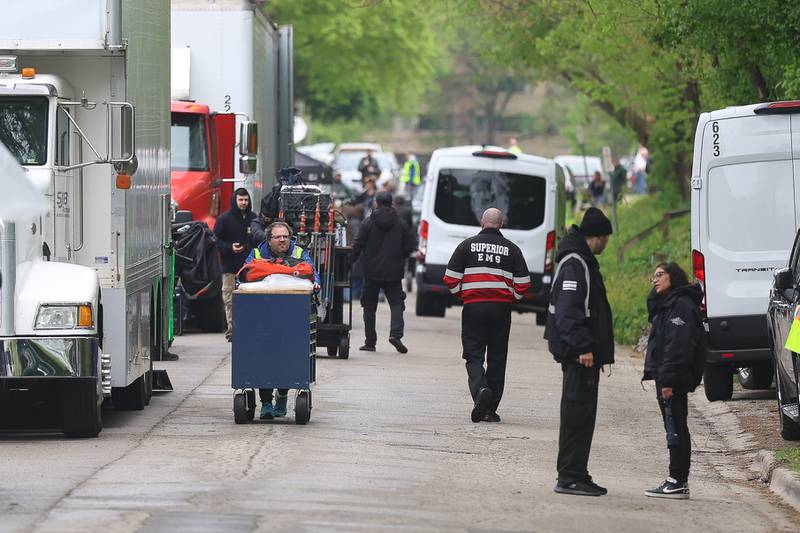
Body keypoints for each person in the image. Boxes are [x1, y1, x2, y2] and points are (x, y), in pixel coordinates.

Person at [544, 207, 614, 497]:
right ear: (597, 237)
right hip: (578, 355)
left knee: (584, 416)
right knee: (576, 415)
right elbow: (568, 312)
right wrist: (583, 346)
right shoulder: (575, 263)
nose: (606, 244)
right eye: (606, 239)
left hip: (584, 355)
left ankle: (578, 472)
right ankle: (569, 476)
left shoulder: (582, 260)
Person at [443, 208, 531, 423]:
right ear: (502, 224)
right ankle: (490, 410)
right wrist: (511, 298)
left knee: (473, 355)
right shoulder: (512, 249)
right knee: (497, 358)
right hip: (501, 309)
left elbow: (450, 278)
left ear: (482, 222)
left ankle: (480, 389)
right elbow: (523, 283)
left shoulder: (466, 246)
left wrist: (464, 295)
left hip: (474, 307)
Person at [245, 221, 320, 419]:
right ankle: (266, 402)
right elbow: (244, 274)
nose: (282, 240)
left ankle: (283, 395)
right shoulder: (257, 254)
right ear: (269, 239)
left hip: (292, 314)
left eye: (285, 236)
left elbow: (313, 273)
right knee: (263, 356)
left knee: (289, 354)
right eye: (278, 236)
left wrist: (316, 285)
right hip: (262, 315)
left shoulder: (299, 253)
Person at [643, 262, 703, 499]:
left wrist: (667, 380)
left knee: (676, 427)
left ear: (673, 277)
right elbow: (652, 307)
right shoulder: (668, 304)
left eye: (660, 275)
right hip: (667, 375)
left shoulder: (681, 306)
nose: (654, 280)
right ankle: (676, 479)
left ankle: (677, 479)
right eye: (653, 276)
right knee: (673, 425)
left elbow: (678, 346)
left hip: (673, 377)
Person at [351, 191, 417, 353]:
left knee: (369, 307)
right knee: (397, 303)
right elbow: (410, 245)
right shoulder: (401, 223)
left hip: (371, 271)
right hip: (394, 271)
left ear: (376, 203)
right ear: (391, 203)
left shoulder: (368, 222)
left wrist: (348, 264)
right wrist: (400, 256)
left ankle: (370, 342)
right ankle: (396, 334)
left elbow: (358, 245)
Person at [213, 187, 257, 341]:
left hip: (249, 268)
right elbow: (214, 239)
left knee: (250, 300)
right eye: (240, 200)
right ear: (235, 200)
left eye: (246, 200)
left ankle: (248, 329)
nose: (243, 203)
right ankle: (232, 331)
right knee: (230, 300)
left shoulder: (253, 218)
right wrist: (229, 248)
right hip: (229, 267)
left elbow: (258, 239)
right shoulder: (224, 219)